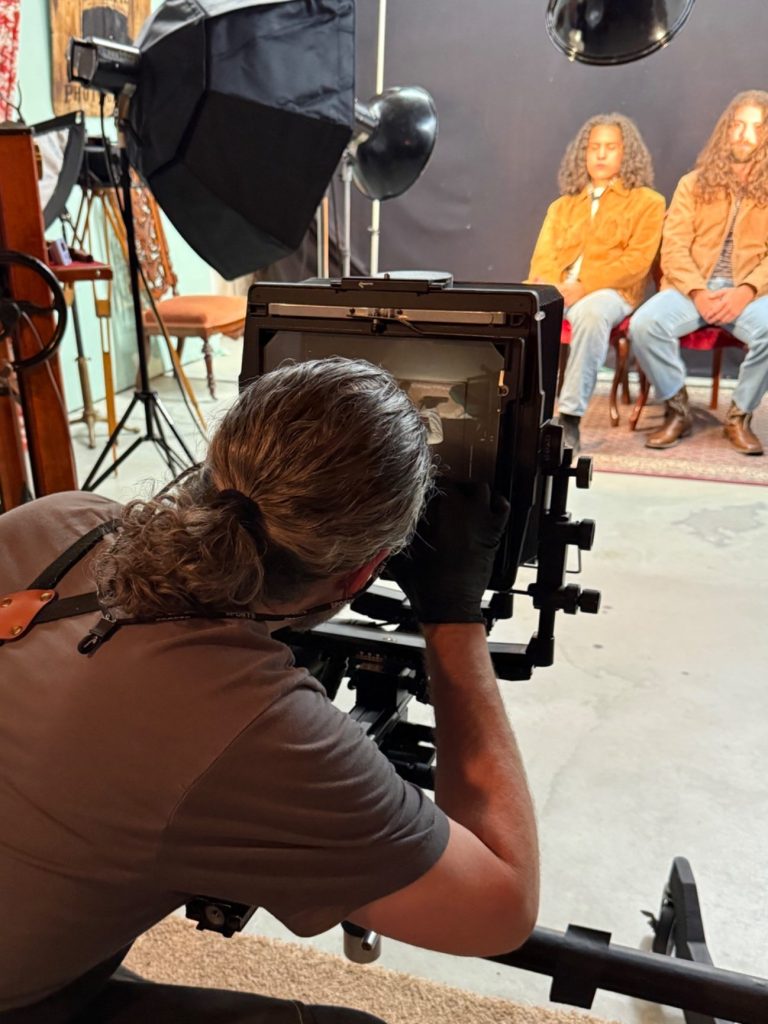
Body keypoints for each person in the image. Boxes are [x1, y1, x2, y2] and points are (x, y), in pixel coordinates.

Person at [0, 357, 539, 1023]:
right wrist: (454, 618)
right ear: (361, 573)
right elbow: (501, 908)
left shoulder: (60, 519)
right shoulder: (256, 728)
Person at [629, 91, 768, 454]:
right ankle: (678, 409)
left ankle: (739, 417)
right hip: (692, 288)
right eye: (738, 125)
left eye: (757, 127)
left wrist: (747, 290)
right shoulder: (693, 184)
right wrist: (697, 292)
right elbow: (674, 247)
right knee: (644, 325)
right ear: (725, 130)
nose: (745, 135)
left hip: (750, 292)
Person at [527, 112, 665, 452]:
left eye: (611, 147)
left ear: (626, 153)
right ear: (583, 154)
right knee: (518, 308)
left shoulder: (648, 202)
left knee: (591, 314)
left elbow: (636, 263)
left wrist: (583, 286)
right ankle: (520, 409)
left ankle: (569, 419)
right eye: (593, 148)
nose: (601, 155)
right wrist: (555, 289)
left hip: (610, 293)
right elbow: (543, 257)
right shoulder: (562, 206)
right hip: (559, 290)